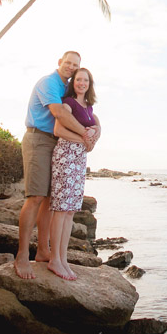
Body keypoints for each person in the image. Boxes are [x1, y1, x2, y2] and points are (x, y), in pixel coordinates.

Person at [16, 51, 97, 280]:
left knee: (52, 200)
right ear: (59, 63)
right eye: (68, 63)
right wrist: (85, 135)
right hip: (39, 139)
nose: (71, 67)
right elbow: (59, 113)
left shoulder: (68, 87)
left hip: (58, 144)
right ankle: (22, 256)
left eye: (76, 65)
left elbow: (87, 111)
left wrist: (96, 131)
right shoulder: (49, 82)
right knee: (35, 197)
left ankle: (44, 251)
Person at [47, 67, 100, 280]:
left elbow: (96, 126)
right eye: (78, 79)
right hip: (66, 156)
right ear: (73, 82)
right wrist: (85, 139)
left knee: (70, 211)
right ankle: (54, 260)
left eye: (85, 80)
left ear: (89, 84)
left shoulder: (89, 108)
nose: (81, 83)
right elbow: (58, 130)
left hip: (79, 160)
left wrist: (96, 133)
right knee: (61, 209)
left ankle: (63, 258)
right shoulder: (67, 103)